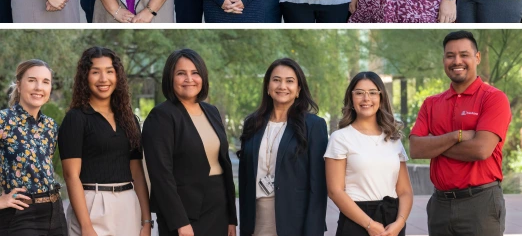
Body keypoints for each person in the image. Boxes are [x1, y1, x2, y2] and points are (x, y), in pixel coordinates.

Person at [409, 31, 512, 236]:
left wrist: (434, 145)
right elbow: (416, 148)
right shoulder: (431, 103)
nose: (457, 61)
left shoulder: (493, 99)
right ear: (444, 60)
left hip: (480, 203)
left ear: (477, 57)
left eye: (464, 54)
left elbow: (481, 150)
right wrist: (455, 136)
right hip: (440, 204)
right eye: (450, 56)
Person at [0, 59, 67, 236]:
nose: (39, 87)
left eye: (45, 82)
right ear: (19, 84)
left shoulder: (50, 126)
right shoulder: (2, 120)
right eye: (32, 80)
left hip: (56, 213)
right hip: (21, 216)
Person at [142, 49, 237, 236]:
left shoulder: (212, 112)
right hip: (184, 215)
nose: (189, 79)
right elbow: (161, 175)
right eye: (181, 73)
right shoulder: (161, 116)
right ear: (170, 78)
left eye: (195, 73)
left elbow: (223, 165)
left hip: (218, 210)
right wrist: (180, 222)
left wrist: (231, 219)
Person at [58, 47, 152, 236]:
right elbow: (71, 176)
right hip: (92, 204)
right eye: (95, 72)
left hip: (128, 203)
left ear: (117, 76)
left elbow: (137, 173)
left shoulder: (129, 119)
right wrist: (86, 226)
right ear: (85, 77)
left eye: (109, 71)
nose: (103, 79)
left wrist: (146, 220)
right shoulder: (76, 118)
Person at [238, 58, 328, 236]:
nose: (282, 86)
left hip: (295, 221)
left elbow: (318, 186)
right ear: (268, 87)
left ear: (298, 90)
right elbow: (245, 178)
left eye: (290, 81)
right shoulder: (252, 123)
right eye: (276, 80)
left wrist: (313, 230)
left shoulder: (313, 125)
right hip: (255, 219)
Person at [325, 72, 413, 236]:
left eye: (373, 93)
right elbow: (335, 191)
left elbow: (405, 191)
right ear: (351, 98)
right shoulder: (340, 138)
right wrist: (369, 225)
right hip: (356, 222)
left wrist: (399, 223)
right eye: (359, 93)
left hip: (392, 223)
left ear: (381, 98)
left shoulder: (393, 139)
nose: (366, 98)